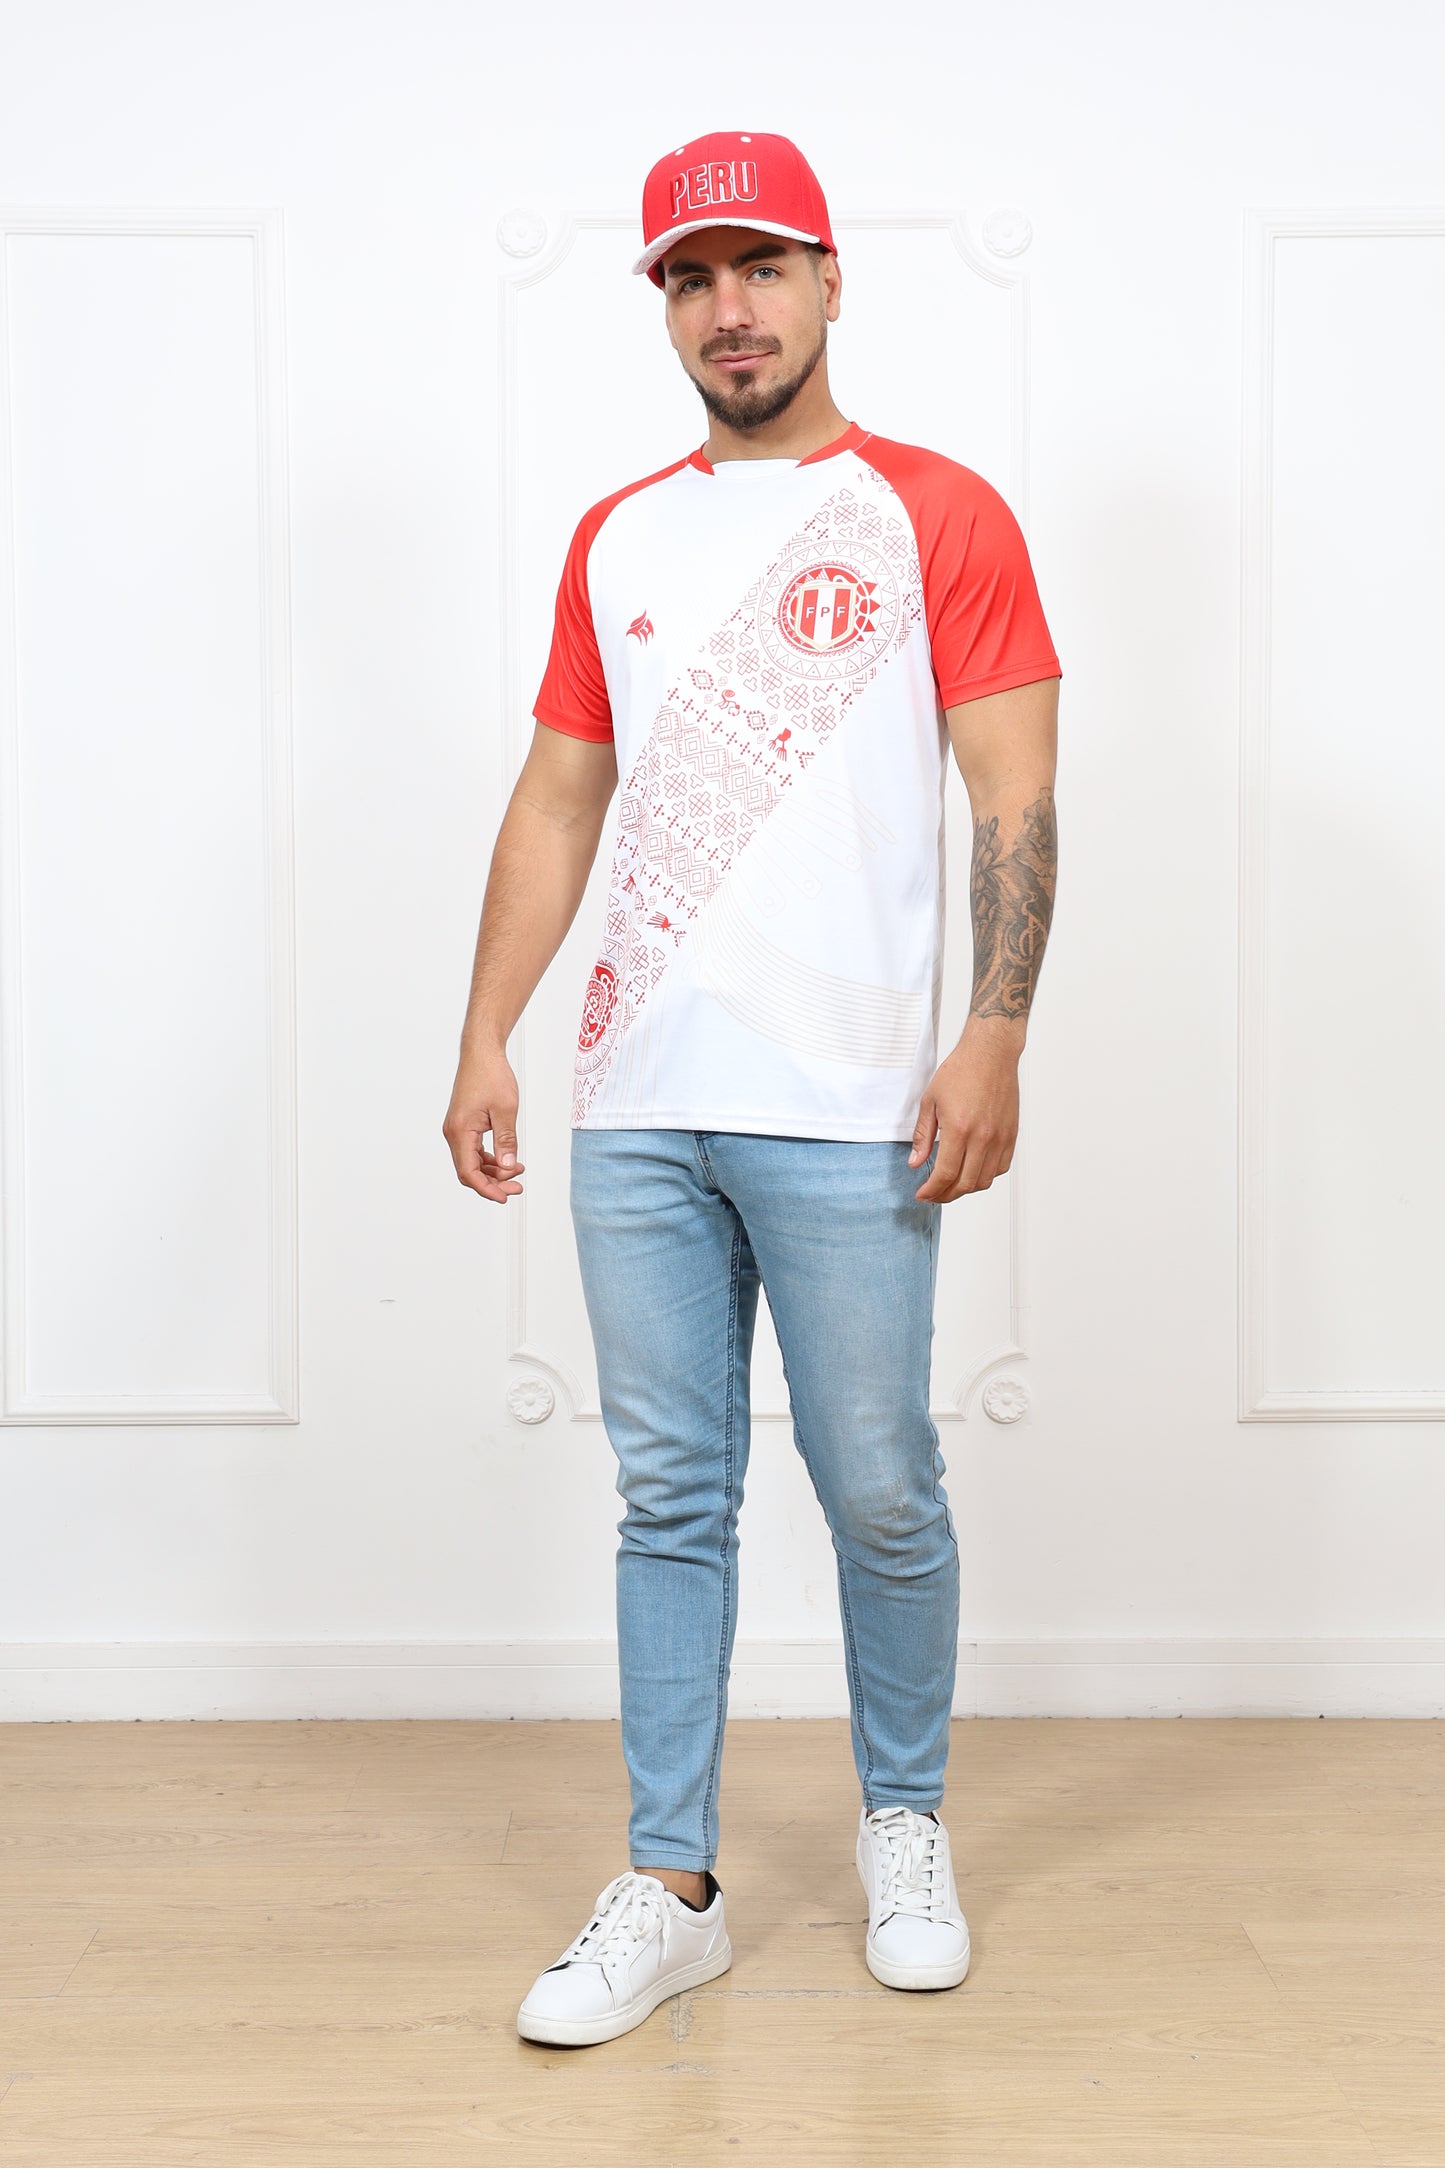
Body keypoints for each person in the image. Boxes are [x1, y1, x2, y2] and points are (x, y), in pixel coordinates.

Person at [443, 128, 1062, 2048]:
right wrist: (486, 1030)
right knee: (669, 1496)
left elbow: (1011, 794)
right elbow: (562, 794)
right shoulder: (618, 533)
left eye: (761, 269)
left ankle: (901, 1824)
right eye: (692, 279)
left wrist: (996, 1026)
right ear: (665, 305)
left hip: (854, 1096)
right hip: (637, 1095)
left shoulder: (932, 514)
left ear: (827, 281)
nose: (730, 309)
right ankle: (673, 1884)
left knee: (877, 1482)